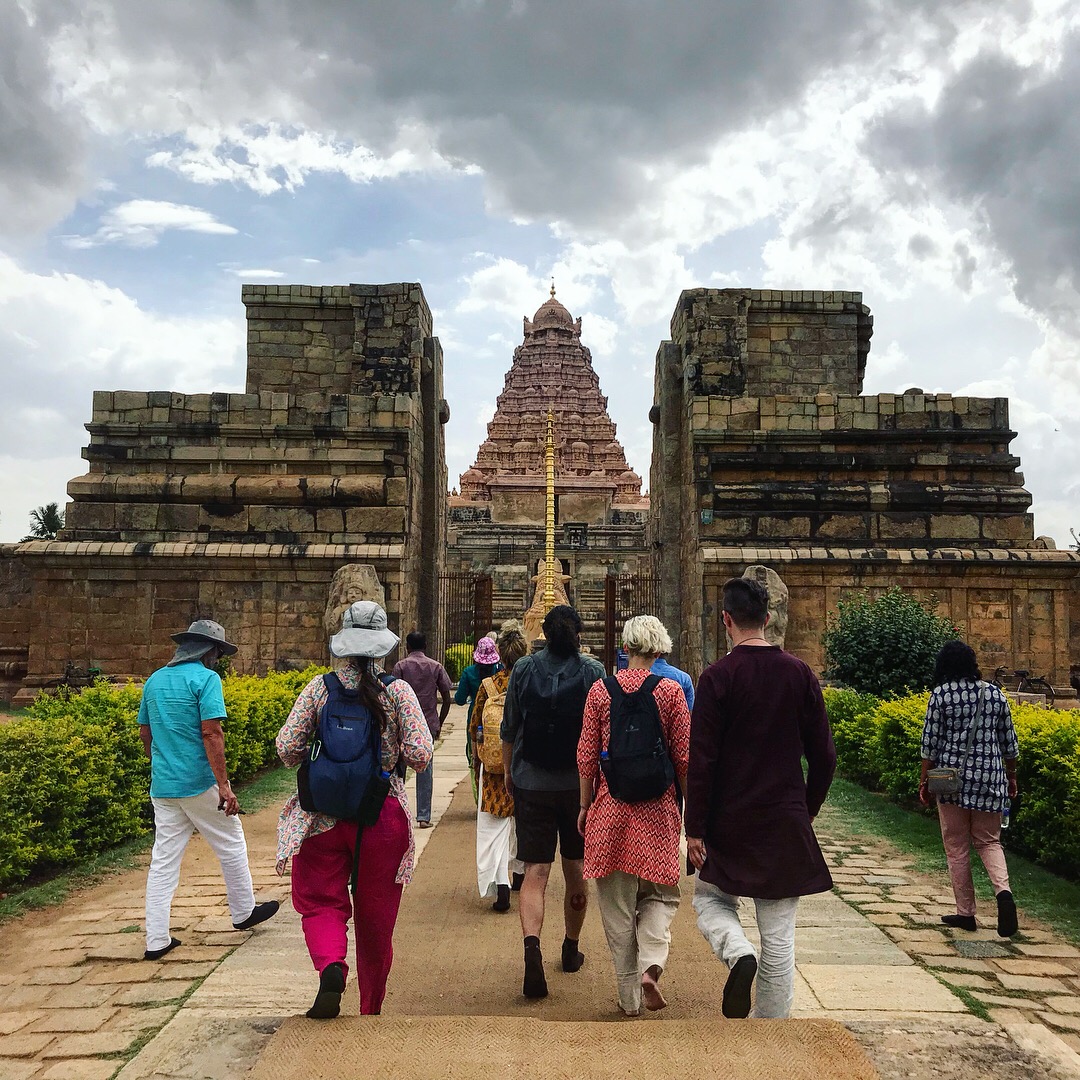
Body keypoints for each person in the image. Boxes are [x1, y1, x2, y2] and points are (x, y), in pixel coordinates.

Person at [685, 578, 836, 1019]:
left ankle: (737, 951)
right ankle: (771, 1033)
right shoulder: (799, 674)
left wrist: (695, 829)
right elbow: (825, 757)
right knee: (779, 939)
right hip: (783, 820)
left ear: (726, 620)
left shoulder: (717, 677)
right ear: (768, 619)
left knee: (711, 900)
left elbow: (702, 761)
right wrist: (806, 808)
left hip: (729, 820)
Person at [276, 601, 433, 1018]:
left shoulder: (320, 688)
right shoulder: (396, 692)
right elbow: (420, 754)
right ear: (382, 645)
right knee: (376, 919)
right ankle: (369, 1008)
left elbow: (286, 747)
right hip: (380, 814)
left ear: (344, 641)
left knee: (319, 898)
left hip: (323, 815)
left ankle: (331, 964)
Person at [138, 620, 279, 961]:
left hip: (164, 786)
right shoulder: (206, 679)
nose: (218, 658)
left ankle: (156, 940)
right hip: (198, 782)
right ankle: (243, 911)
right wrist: (224, 786)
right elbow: (211, 733)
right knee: (231, 841)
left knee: (163, 861)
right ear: (208, 651)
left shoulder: (155, 680)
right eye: (218, 652)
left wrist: (163, 762)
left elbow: (145, 732)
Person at [578, 615, 691, 1016]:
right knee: (661, 894)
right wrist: (691, 808)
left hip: (611, 811)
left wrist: (584, 805)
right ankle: (651, 967)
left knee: (617, 909)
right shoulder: (671, 691)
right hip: (657, 811)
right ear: (659, 649)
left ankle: (629, 1000)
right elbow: (684, 757)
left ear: (624, 648)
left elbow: (586, 755)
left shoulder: (600, 691)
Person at [501, 604, 605, 999]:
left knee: (536, 871)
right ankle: (571, 947)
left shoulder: (524, 669)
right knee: (575, 867)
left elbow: (510, 727)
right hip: (578, 786)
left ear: (542, 633)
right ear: (578, 634)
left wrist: (509, 772)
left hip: (532, 780)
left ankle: (532, 950)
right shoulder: (593, 671)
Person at [919, 640, 1020, 937]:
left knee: (957, 846)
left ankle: (966, 913)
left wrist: (924, 781)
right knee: (989, 842)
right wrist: (1011, 777)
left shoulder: (941, 695)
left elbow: (930, 745)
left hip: (951, 780)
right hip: (991, 778)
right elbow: (1009, 744)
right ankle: (1004, 894)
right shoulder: (995, 694)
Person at [471, 627, 528, 911]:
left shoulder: (488, 686)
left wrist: (477, 761)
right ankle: (519, 872)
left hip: (494, 767)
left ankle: (500, 881)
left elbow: (474, 727)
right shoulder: (530, 683)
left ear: (500, 657)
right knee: (522, 823)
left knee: (494, 825)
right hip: (526, 764)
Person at [392, 631, 452, 827]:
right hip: (427, 725)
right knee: (425, 769)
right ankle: (424, 816)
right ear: (425, 646)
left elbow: (391, 695)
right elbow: (446, 697)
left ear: (407, 647)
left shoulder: (400, 667)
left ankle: (399, 813)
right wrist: (439, 721)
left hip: (403, 725)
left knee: (398, 770)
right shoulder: (435, 667)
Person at [455, 635, 501, 801]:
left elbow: (459, 699)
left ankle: (478, 797)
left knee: (475, 758)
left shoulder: (469, 673)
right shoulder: (499, 672)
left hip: (475, 720)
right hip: (496, 719)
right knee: (496, 756)